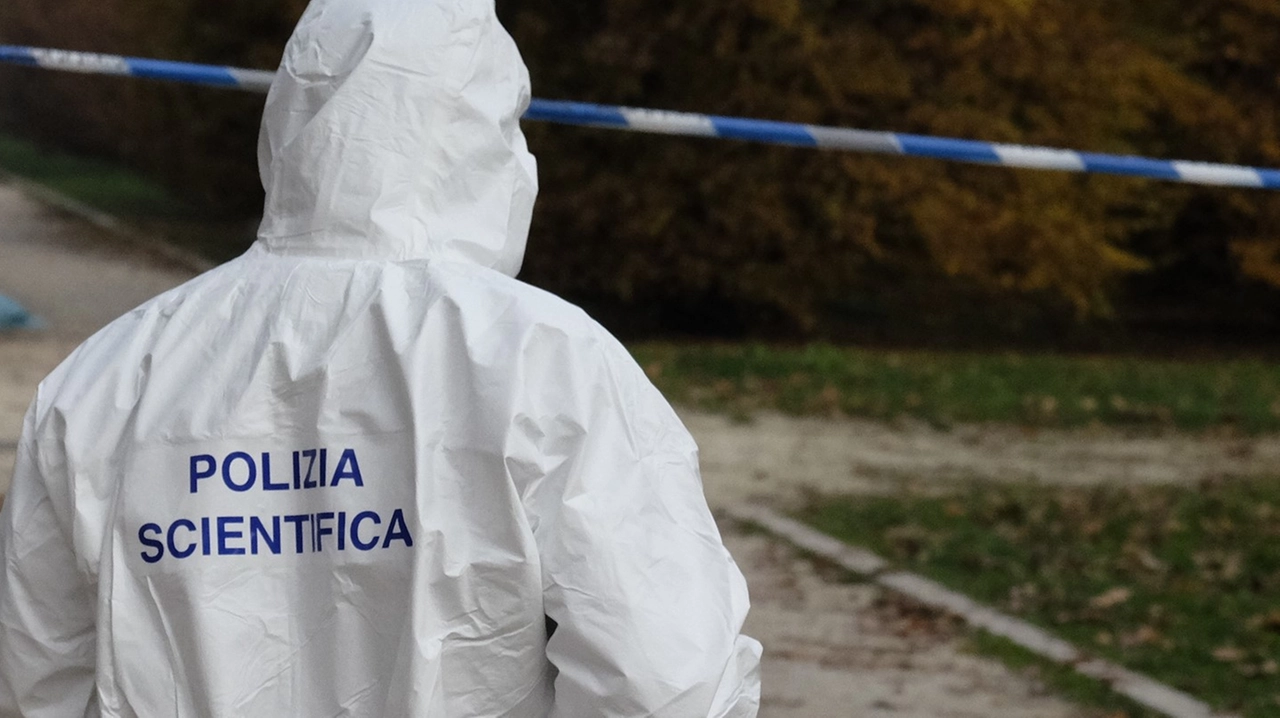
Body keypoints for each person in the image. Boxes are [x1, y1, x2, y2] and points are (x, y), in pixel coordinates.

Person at [0, 0, 762, 715]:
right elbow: (668, 682)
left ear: (294, 125)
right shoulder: (542, 360)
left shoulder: (107, 379)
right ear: (483, 133)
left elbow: (38, 678)